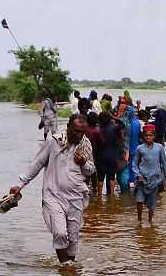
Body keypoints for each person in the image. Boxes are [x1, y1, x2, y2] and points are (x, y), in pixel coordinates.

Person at [10, 115, 95, 264]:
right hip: (53, 196)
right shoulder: (54, 142)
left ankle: (70, 269)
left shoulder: (85, 146)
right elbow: (36, 164)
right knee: (60, 233)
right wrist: (21, 185)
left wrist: (83, 162)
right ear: (68, 127)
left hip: (76, 198)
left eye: (82, 132)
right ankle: (65, 269)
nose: (78, 135)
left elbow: (91, 170)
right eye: (75, 131)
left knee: (73, 238)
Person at [133, 124, 166, 223]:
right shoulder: (139, 148)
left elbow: (165, 164)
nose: (148, 137)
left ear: (154, 136)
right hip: (142, 180)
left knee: (151, 205)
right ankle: (139, 220)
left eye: (151, 135)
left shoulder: (159, 148)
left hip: (155, 180)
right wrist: (138, 175)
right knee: (139, 201)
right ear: (143, 136)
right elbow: (134, 164)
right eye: (146, 135)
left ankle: (150, 221)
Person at [96, 112, 125, 196]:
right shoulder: (114, 128)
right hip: (112, 155)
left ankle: (99, 196)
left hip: (100, 156)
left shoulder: (98, 129)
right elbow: (122, 124)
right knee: (112, 177)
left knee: (100, 178)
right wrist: (114, 117)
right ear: (109, 119)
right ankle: (112, 196)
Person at [118, 107, 141, 193]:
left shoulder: (129, 123)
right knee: (133, 167)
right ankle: (133, 185)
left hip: (128, 149)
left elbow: (127, 137)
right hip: (134, 148)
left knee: (129, 167)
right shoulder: (136, 122)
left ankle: (129, 185)